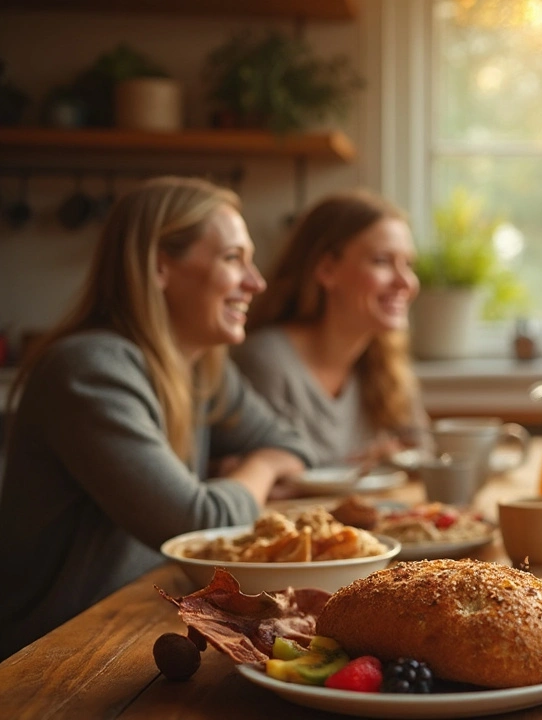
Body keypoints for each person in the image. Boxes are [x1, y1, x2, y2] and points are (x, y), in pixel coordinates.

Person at [0, 176, 311, 660]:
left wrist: (248, 469)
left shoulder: (201, 368)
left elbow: (293, 442)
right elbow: (197, 523)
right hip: (55, 652)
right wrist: (263, 468)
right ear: (160, 266)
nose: (257, 282)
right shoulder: (90, 369)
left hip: (138, 621)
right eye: (233, 258)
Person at [232, 191, 427, 469]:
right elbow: (268, 479)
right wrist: (365, 467)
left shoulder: (385, 361)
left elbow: (423, 453)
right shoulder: (266, 362)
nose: (405, 282)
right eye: (382, 261)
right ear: (326, 270)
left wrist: (389, 458)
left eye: (408, 264)